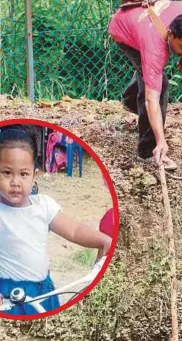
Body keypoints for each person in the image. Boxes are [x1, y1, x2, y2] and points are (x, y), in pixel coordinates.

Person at [0, 126, 112, 315]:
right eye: (6, 173)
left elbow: (74, 230)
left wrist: (103, 240)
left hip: (45, 290)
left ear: (35, 175)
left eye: (23, 174)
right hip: (8, 296)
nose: (15, 182)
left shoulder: (44, 206)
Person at [108, 0, 182, 169]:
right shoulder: (154, 47)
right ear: (170, 34)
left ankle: (129, 101)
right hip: (124, 31)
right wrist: (161, 140)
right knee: (158, 88)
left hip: (141, 23)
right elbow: (152, 98)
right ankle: (147, 151)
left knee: (149, 78)